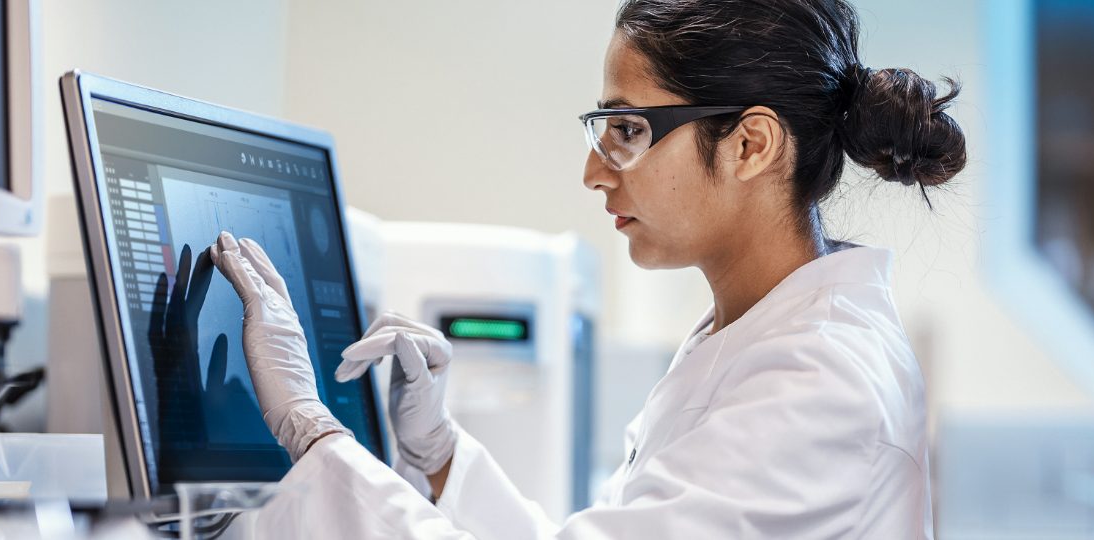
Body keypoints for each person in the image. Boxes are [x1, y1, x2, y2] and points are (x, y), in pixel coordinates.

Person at [209, 0, 966, 537]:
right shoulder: (753, 336)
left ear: (750, 146)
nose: (594, 172)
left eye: (628, 130)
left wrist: (313, 434)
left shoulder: (820, 382)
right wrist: (439, 458)